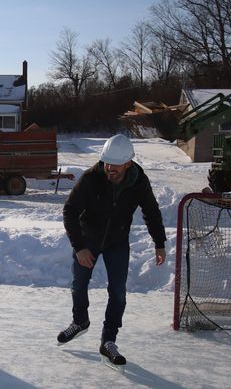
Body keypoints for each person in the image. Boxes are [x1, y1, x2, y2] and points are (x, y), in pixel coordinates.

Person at [57, 134, 166, 366]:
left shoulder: (138, 182)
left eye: (115, 165)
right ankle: (80, 321)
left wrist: (159, 242)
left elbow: (151, 211)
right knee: (79, 285)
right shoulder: (91, 178)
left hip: (117, 241)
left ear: (128, 163)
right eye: (106, 163)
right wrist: (80, 248)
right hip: (88, 240)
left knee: (118, 291)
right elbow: (69, 211)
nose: (109, 169)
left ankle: (109, 340)